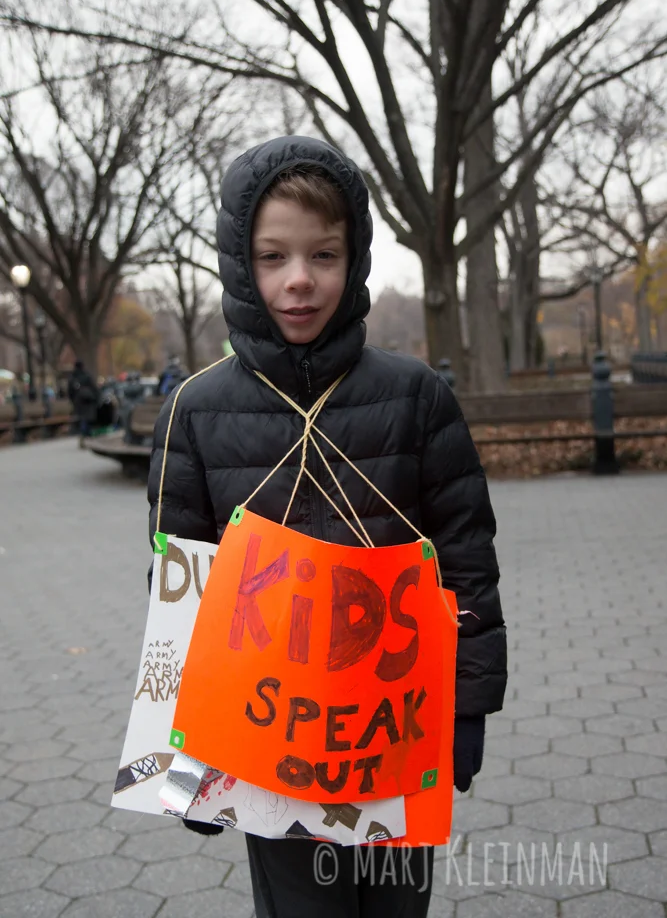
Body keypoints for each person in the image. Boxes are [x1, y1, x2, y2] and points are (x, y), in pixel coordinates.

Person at [148, 136, 506, 918]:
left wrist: (468, 702)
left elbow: (465, 559)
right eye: (272, 257)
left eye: (324, 254)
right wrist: (185, 761)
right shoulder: (195, 412)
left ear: (356, 258)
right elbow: (180, 594)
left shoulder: (415, 397)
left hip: (390, 734)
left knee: (394, 911)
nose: (300, 279)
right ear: (241, 265)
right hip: (265, 743)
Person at [67, 360, 98, 446]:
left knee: (82, 419)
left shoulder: (73, 377)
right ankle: (88, 435)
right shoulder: (87, 375)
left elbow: (70, 392)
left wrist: (73, 401)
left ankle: (83, 436)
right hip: (88, 401)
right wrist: (96, 398)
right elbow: (94, 388)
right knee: (88, 418)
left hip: (79, 402)